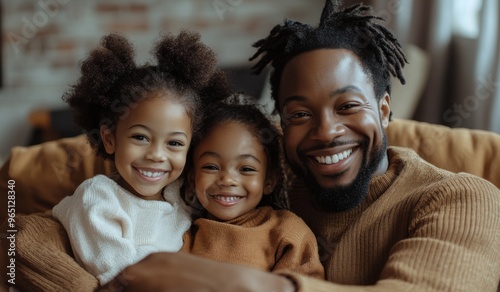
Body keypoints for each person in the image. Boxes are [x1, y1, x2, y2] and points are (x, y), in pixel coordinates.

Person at [112, 1, 500, 291]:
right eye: (299, 114)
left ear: (384, 110)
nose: (327, 132)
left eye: (347, 106)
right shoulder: (267, 164)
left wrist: (249, 285)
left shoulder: (462, 198)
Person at [50, 31, 231, 286]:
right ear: (110, 139)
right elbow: (124, 275)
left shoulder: (181, 196)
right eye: (141, 137)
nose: (157, 155)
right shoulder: (98, 199)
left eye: (175, 143)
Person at [180, 99, 324, 279]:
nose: (227, 180)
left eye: (246, 169)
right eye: (211, 167)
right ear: (193, 177)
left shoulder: (285, 232)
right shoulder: (184, 236)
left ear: (269, 181)